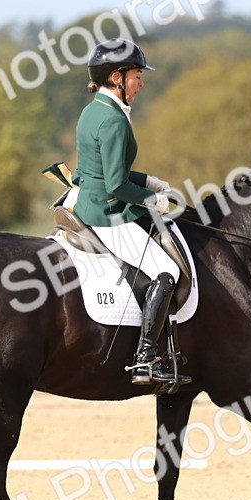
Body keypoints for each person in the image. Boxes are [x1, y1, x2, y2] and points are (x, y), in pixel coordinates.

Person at [71, 38, 189, 387]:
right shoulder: (113, 121)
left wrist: (150, 181)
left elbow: (99, 169)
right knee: (166, 270)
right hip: (106, 213)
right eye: (137, 75)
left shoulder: (95, 110)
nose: (142, 82)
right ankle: (146, 357)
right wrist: (154, 201)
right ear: (117, 77)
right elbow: (115, 184)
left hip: (93, 200)